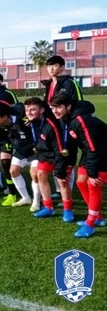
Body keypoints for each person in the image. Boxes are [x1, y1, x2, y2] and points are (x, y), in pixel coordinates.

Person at [50, 93, 107, 238]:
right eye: (52, 107)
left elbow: (94, 147)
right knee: (81, 182)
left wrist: (93, 173)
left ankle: (90, 224)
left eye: (58, 107)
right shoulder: (66, 119)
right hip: (90, 153)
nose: (55, 111)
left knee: (93, 184)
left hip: (103, 153)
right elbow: (66, 147)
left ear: (68, 106)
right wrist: (60, 169)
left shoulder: (81, 120)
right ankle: (98, 217)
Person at [0, 101, 40, 209]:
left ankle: (36, 202)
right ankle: (26, 198)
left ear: (5, 117)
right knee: (13, 171)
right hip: (21, 151)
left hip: (34, 151)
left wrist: (33, 122)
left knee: (34, 174)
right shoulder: (3, 124)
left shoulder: (24, 120)